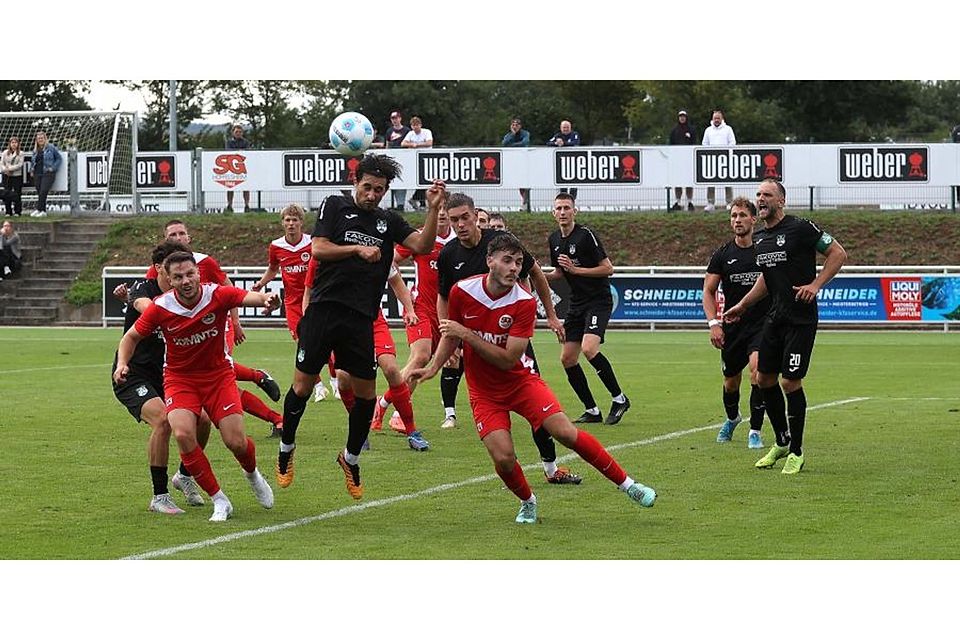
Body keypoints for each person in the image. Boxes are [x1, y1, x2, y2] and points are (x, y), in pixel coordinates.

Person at [408, 233, 657, 524]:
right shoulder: (462, 291)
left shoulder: (524, 302)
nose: (514, 267)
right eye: (507, 261)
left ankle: (629, 485)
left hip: (521, 383)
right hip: (484, 392)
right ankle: (528, 501)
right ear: (490, 261)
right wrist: (434, 366)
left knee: (565, 432)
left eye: (518, 262)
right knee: (503, 458)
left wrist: (467, 335)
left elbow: (507, 358)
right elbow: (452, 335)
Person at [273, 154, 443, 501]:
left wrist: (432, 210)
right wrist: (357, 249)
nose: (372, 194)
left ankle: (350, 459)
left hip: (361, 319)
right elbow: (318, 248)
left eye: (379, 189)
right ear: (356, 183)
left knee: (366, 397)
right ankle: (287, 448)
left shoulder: (388, 220)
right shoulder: (334, 205)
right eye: (367, 187)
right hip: (323, 312)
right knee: (302, 388)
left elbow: (422, 246)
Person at [114, 251, 281, 521]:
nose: (186, 280)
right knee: (181, 433)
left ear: (198, 274)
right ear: (168, 278)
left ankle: (252, 474)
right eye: (178, 277)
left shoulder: (217, 295)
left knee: (235, 442)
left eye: (190, 274)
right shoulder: (162, 306)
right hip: (180, 379)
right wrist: (122, 363)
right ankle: (219, 499)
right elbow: (130, 337)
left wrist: (268, 299)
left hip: (218, 377)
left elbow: (248, 297)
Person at [438, 193, 583, 485]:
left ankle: (551, 468)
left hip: (512, 339)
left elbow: (536, 274)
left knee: (539, 410)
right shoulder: (449, 255)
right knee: (474, 393)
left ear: (475, 214)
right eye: (454, 220)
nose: (461, 224)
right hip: (475, 340)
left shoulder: (502, 243)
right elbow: (443, 297)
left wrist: (551, 315)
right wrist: (447, 335)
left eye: (465, 217)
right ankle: (450, 414)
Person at [114, 219, 284, 437]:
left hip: (213, 326)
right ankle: (264, 394)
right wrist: (131, 299)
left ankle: (262, 391)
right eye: (172, 235)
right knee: (209, 386)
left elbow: (229, 289)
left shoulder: (205, 262)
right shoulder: (159, 270)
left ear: (189, 238)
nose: (177, 239)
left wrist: (235, 322)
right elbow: (152, 301)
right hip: (180, 330)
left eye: (181, 234)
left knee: (217, 378)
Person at [723, 179, 847, 474]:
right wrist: (743, 305)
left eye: (767, 195)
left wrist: (816, 285)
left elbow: (838, 254)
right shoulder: (762, 238)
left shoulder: (801, 228)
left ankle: (797, 451)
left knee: (789, 382)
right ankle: (780, 440)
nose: (760, 199)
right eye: (758, 195)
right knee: (763, 379)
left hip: (801, 319)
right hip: (775, 318)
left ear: (781, 201)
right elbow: (766, 279)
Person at [112, 241, 212, 514]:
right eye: (173, 269)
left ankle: (185, 475)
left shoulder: (186, 294)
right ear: (159, 268)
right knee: (164, 420)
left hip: (168, 375)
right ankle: (159, 496)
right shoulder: (143, 290)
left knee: (202, 420)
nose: (180, 273)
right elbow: (146, 306)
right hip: (132, 374)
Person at [546, 193, 631, 425]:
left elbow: (608, 269)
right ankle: (592, 410)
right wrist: (537, 276)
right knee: (567, 358)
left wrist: (577, 271)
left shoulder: (585, 235)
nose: (563, 212)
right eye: (559, 208)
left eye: (566, 208)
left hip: (598, 300)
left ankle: (620, 398)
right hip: (577, 303)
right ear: (553, 213)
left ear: (575, 211)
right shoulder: (554, 239)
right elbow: (560, 273)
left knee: (589, 348)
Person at [252, 203, 337, 403]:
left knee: (325, 341)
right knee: (303, 345)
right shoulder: (276, 246)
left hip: (316, 299)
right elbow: (273, 269)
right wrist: (261, 283)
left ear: (301, 222)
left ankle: (334, 380)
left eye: (295, 220)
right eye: (287, 220)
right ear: (283, 223)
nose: (291, 224)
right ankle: (318, 387)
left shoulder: (312, 243)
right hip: (292, 304)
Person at [702, 197, 770, 448]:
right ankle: (732, 418)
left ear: (753, 219)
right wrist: (713, 324)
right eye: (733, 216)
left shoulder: (765, 248)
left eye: (742, 215)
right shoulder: (722, 254)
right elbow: (708, 291)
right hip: (733, 327)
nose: (737, 220)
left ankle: (755, 430)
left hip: (762, 324)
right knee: (731, 382)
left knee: (758, 371)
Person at [390, 205, 456, 433]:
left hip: (444, 313)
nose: (440, 219)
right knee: (421, 356)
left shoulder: (459, 243)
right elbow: (392, 260)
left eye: (444, 216)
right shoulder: (421, 239)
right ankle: (386, 406)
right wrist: (405, 296)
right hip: (420, 308)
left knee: (422, 363)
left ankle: (393, 409)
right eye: (436, 216)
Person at [701, 110, 736, 212]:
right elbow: (704, 143)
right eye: (715, 118)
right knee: (710, 181)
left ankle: (729, 203)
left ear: (722, 119)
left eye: (718, 118)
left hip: (725, 160)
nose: (716, 120)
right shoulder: (708, 130)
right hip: (711, 160)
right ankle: (710, 203)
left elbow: (732, 142)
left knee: (728, 181)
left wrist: (726, 152)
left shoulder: (728, 129)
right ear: (712, 119)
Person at [401, 116, 433, 211]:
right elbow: (403, 143)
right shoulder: (410, 134)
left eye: (417, 125)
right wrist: (411, 145)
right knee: (419, 181)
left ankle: (416, 199)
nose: (415, 127)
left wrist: (416, 145)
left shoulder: (426, 132)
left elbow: (429, 143)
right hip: (415, 161)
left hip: (427, 160)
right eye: (413, 125)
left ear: (420, 125)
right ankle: (421, 202)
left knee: (425, 180)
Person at [669, 110, 698, 211]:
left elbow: (694, 143)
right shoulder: (674, 130)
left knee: (689, 181)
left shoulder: (691, 129)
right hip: (677, 161)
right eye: (680, 116)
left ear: (686, 118)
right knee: (678, 181)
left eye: (684, 116)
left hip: (688, 160)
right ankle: (678, 202)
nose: (682, 118)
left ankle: (689, 201)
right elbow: (671, 145)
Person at [502, 117, 531, 211]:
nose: (515, 127)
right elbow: (504, 143)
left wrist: (512, 146)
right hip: (514, 162)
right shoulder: (509, 135)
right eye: (513, 125)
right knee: (519, 184)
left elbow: (525, 143)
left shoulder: (525, 133)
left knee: (526, 183)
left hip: (525, 160)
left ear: (520, 126)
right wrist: (512, 135)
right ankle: (524, 202)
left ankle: (526, 203)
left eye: (517, 125)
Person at [547, 119, 581, 201]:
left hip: (573, 162)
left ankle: (572, 201)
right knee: (562, 183)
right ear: (561, 128)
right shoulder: (558, 135)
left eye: (567, 127)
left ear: (570, 127)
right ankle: (563, 200)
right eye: (564, 127)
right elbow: (548, 143)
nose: (565, 129)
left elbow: (576, 142)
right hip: (562, 163)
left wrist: (563, 143)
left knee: (574, 183)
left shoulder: (574, 134)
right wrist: (556, 143)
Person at [384, 111, 411, 211]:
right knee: (392, 180)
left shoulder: (406, 130)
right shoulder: (389, 131)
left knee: (402, 180)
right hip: (392, 157)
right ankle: (394, 204)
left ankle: (401, 204)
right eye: (392, 118)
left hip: (403, 158)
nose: (395, 120)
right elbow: (387, 144)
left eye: (396, 118)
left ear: (400, 118)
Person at [30, 131, 61, 217]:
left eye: (42, 138)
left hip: (47, 173)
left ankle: (40, 210)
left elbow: (59, 159)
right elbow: (33, 162)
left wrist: (53, 168)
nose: (40, 140)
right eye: (38, 138)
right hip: (37, 173)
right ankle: (41, 210)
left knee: (43, 191)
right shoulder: (35, 150)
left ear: (45, 139)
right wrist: (31, 170)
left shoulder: (51, 147)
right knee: (39, 192)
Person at [225, 124, 251, 213]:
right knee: (230, 186)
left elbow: (248, 153)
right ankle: (229, 205)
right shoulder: (229, 142)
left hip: (243, 167)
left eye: (240, 132)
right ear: (233, 133)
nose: (238, 133)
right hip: (231, 167)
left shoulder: (246, 142)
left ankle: (247, 205)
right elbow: (228, 152)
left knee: (246, 187)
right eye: (236, 132)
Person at [1, 136, 25, 216]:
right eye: (12, 142)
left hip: (17, 176)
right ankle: (8, 211)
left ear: (18, 144)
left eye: (15, 142)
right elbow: (2, 163)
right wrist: (5, 170)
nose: (14, 144)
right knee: (6, 193)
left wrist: (10, 169)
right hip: (6, 176)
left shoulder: (21, 153)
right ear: (10, 144)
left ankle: (17, 211)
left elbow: (20, 164)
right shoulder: (5, 152)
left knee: (17, 193)